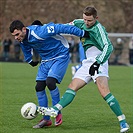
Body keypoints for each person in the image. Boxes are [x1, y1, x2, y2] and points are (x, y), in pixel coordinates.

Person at [37, 6, 129, 133]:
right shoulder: (78, 23)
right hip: (87, 62)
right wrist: (46, 28)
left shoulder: (99, 29)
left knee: (104, 91)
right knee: (72, 87)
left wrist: (98, 63)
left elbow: (109, 47)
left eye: (90, 20)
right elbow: (63, 27)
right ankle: (55, 109)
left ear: (96, 18)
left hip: (99, 60)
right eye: (85, 19)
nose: (87, 23)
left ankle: (123, 121)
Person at [9, 20, 89, 128]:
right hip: (46, 59)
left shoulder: (41, 31)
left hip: (60, 55)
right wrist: (29, 60)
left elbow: (61, 27)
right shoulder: (23, 39)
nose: (16, 38)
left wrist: (82, 33)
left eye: (17, 34)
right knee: (39, 87)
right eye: (14, 36)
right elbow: (26, 48)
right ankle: (46, 119)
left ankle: (57, 112)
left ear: (24, 29)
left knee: (50, 82)